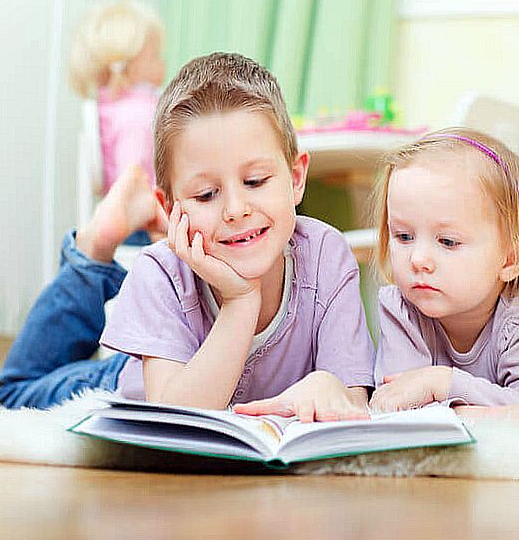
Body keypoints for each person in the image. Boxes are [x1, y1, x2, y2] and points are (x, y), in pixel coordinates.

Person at [99, 52, 374, 421]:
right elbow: (176, 421)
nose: (235, 210)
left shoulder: (326, 255)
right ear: (169, 208)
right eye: (206, 195)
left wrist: (331, 386)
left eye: (255, 182)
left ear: (295, 179)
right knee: (21, 388)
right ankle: (93, 246)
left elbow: (351, 407)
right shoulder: (159, 273)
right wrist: (241, 300)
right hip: (125, 373)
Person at [367, 127, 519, 422]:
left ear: (511, 259)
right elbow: (400, 403)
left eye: (448, 241)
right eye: (403, 236)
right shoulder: (401, 308)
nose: (418, 259)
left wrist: (443, 382)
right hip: (500, 397)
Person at [0, 164, 168, 409]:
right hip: (149, 372)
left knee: (15, 393)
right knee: (13, 395)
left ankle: (91, 258)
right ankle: (92, 258)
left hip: (152, 370)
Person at [69, 0, 165, 245]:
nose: (162, 63)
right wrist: (160, 227)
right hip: (140, 229)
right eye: (155, 56)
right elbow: (130, 179)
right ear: (130, 65)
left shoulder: (113, 107)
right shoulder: (137, 115)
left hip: (135, 222)